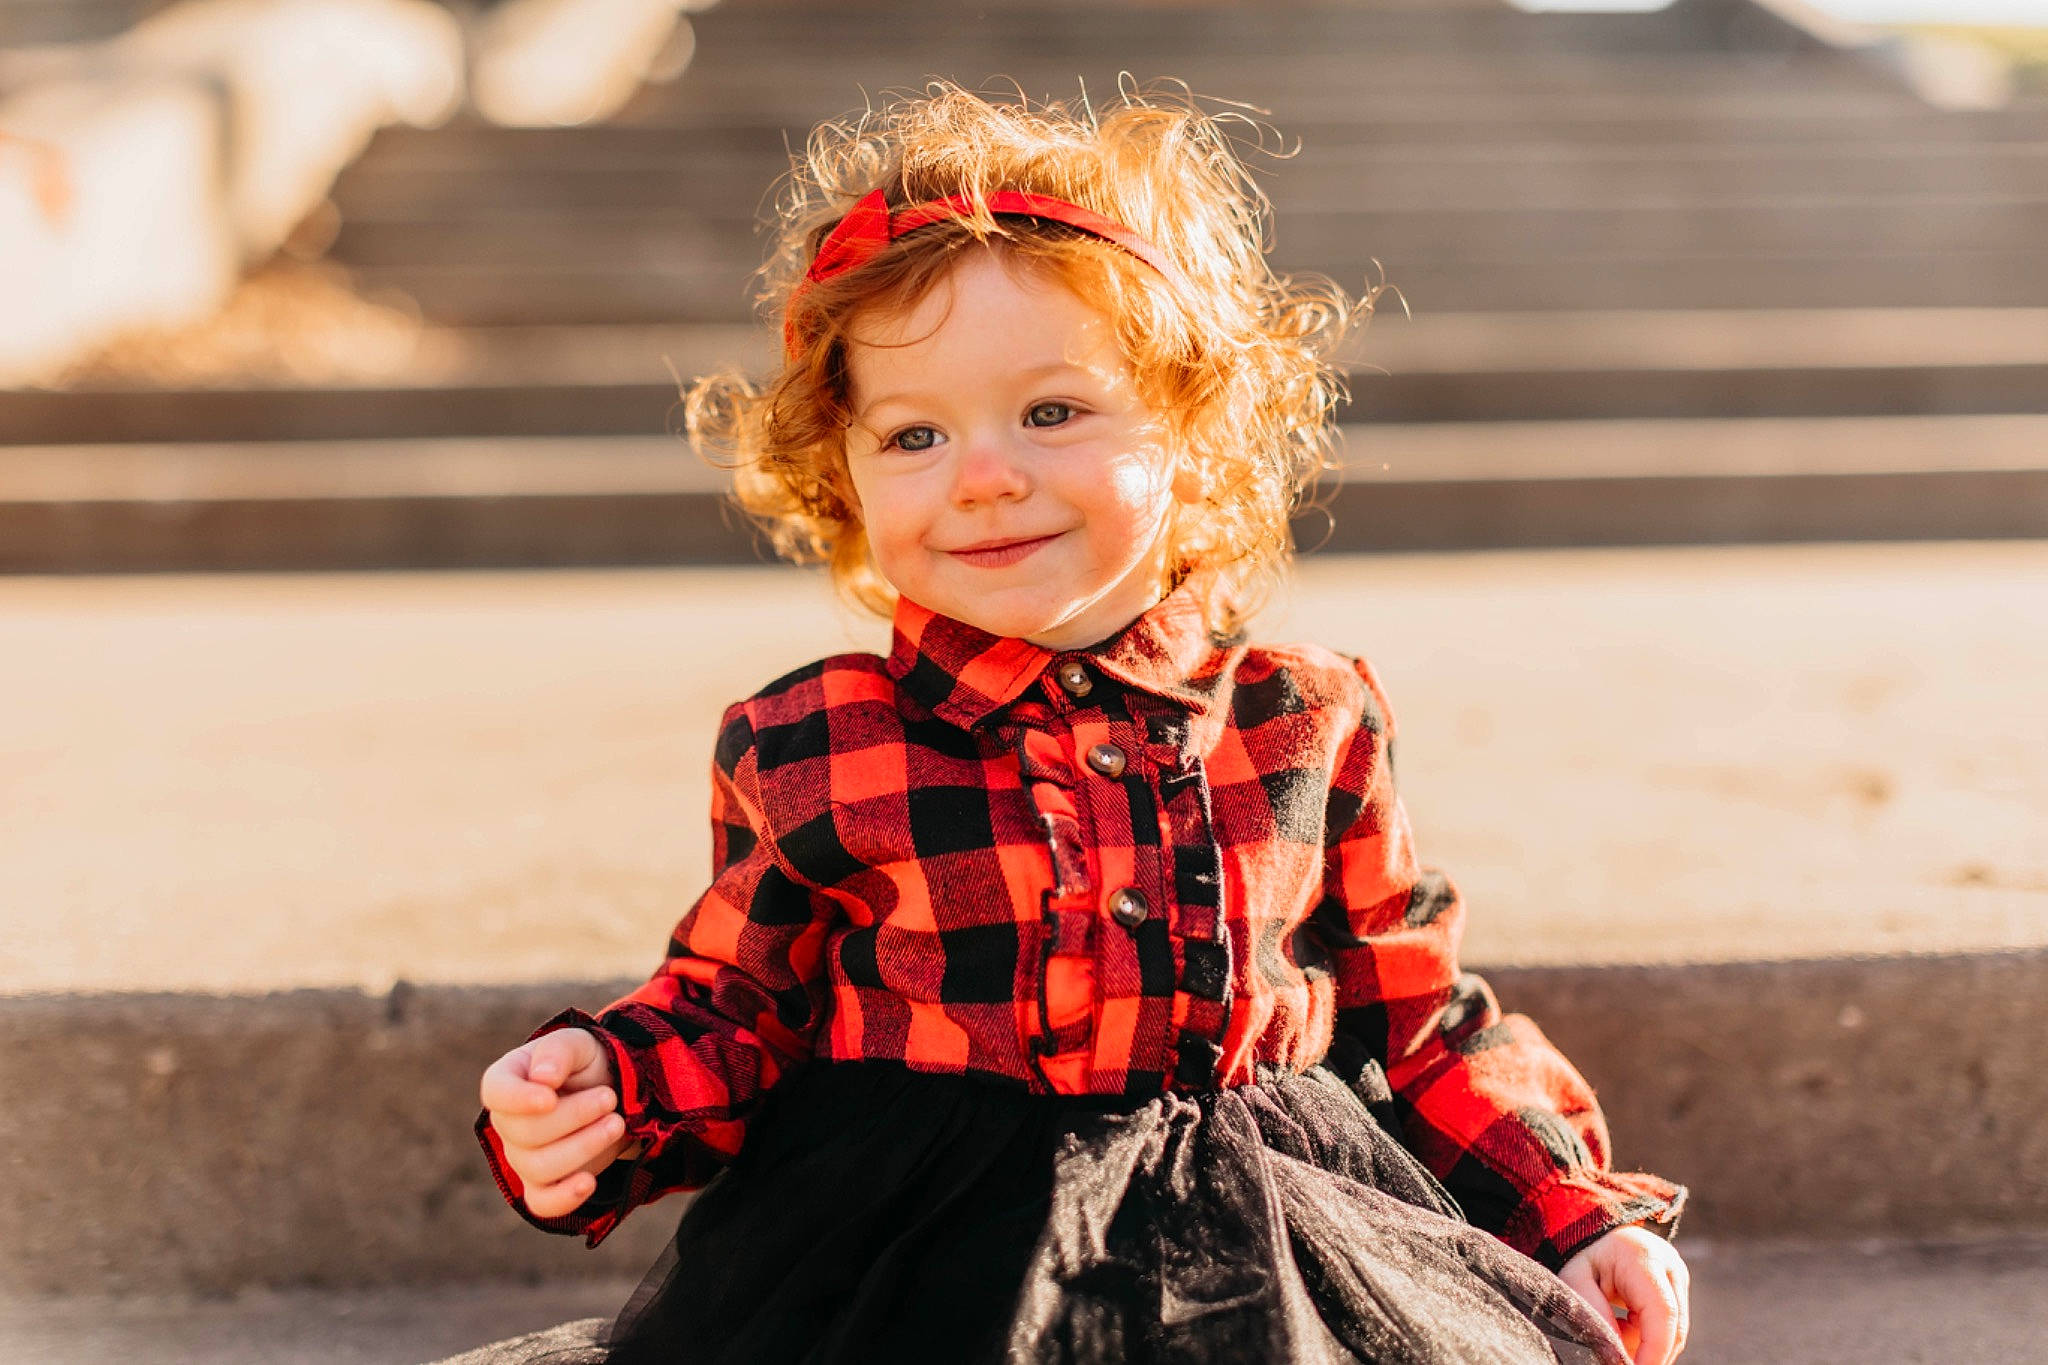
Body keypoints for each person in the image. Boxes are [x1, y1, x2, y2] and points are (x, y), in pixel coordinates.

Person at [447, 81, 1690, 1365]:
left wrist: (1569, 1217)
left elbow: (1416, 1019)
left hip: (1268, 1242)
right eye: (913, 432)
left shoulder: (1304, 717)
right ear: (843, 471)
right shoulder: (813, 737)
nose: (983, 473)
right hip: (912, 1257)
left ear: (1195, 433)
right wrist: (608, 1090)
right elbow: (732, 1005)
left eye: (1051, 412)